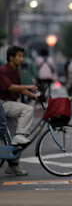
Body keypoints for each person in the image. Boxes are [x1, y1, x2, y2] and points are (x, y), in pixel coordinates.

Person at [0, 45, 39, 176]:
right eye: (19, 56)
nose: (22, 59)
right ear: (11, 58)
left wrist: (32, 95)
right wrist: (29, 86)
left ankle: (13, 167)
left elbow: (19, 89)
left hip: (10, 104)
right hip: (3, 104)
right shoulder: (3, 70)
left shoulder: (16, 70)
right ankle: (20, 135)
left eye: (23, 56)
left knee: (14, 139)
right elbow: (10, 88)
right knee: (28, 109)